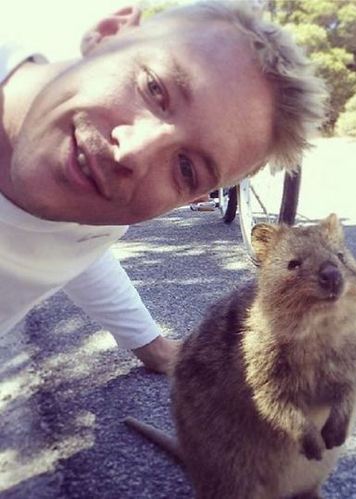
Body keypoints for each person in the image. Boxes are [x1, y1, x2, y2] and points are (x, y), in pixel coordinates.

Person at [0, 1, 325, 374]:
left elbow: (75, 245)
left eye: (186, 169)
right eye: (154, 89)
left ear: (196, 198)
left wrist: (151, 346)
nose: (131, 153)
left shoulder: (93, 212)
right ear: (109, 31)